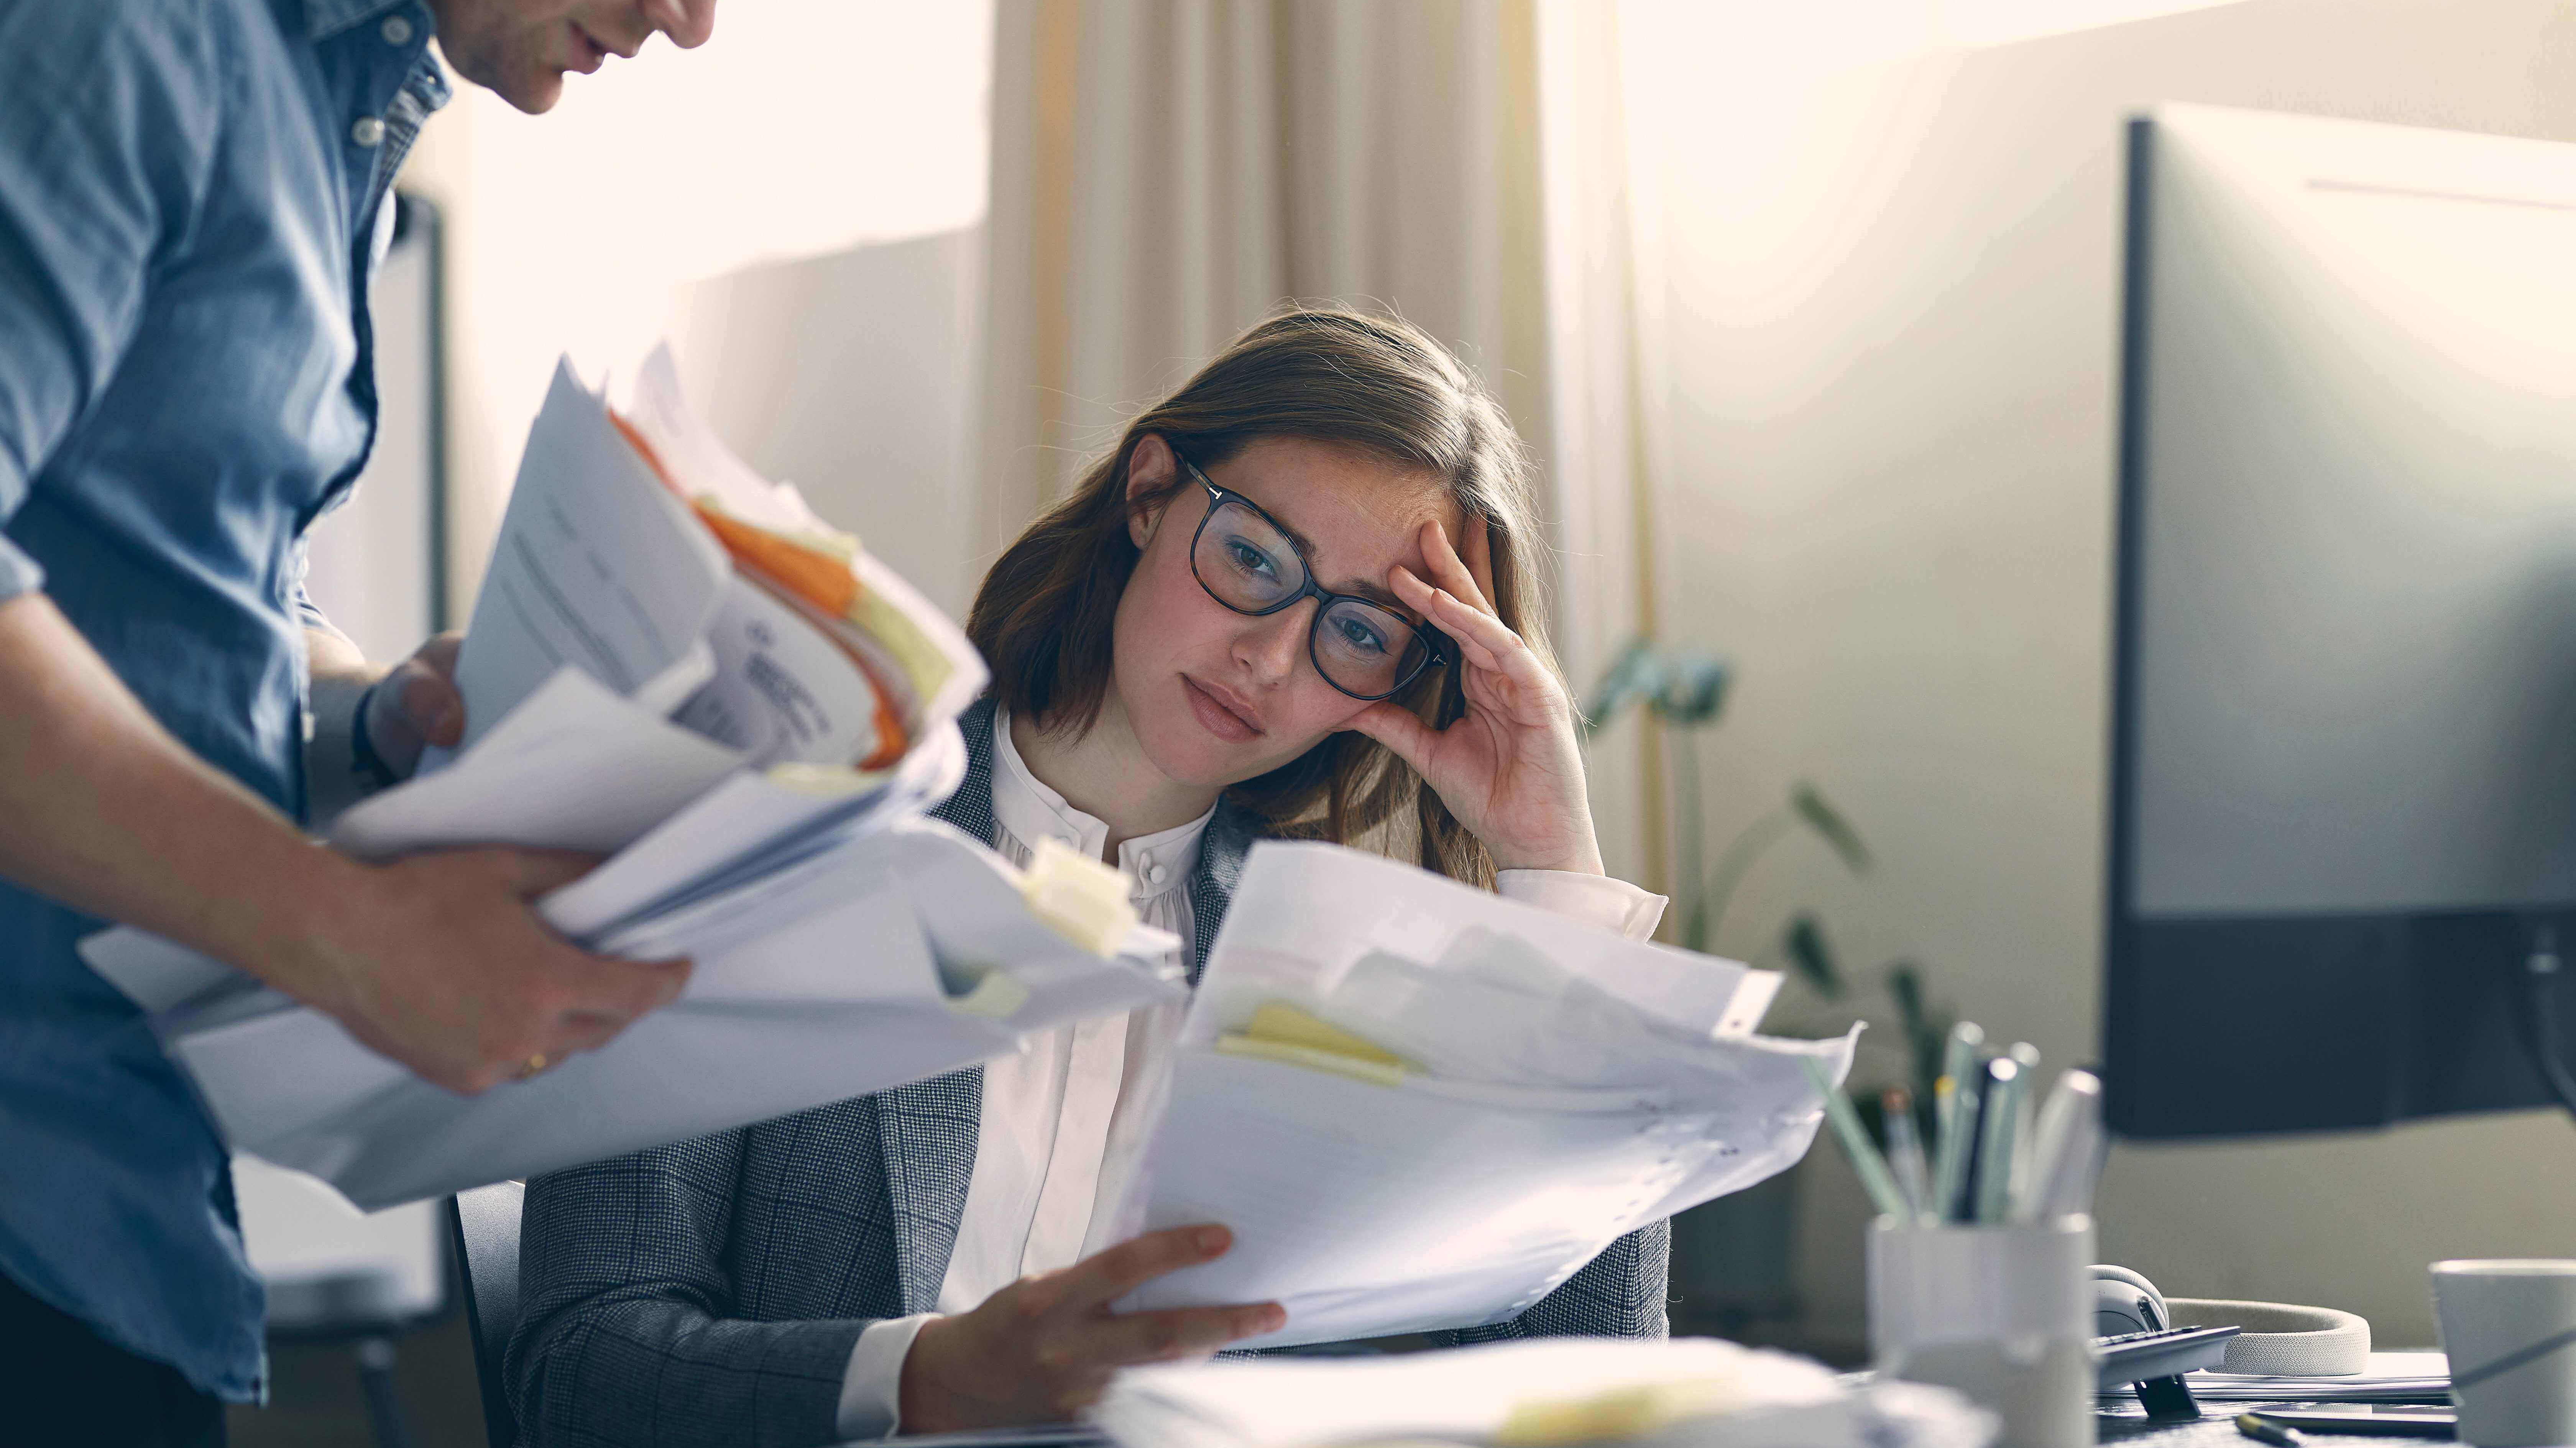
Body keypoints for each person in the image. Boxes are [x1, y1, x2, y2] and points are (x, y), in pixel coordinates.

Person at [509, 309, 1678, 1447]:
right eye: (1253, 558)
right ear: (1150, 491)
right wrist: (926, 1378)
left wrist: (1553, 864)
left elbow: (1599, 1400)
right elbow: (576, 1368)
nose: (1268, 657)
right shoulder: (778, 828)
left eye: (1360, 631)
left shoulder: (1335, 982)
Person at [0, 1, 716, 1441]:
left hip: (120, 1201)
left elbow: (191, 590)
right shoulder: (121, 37)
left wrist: (377, 714)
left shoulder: (338, 104)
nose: (692, 22)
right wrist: (350, 930)